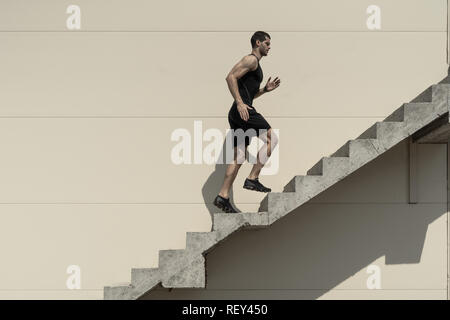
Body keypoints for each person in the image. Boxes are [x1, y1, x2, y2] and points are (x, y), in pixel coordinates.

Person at [213, 31, 281, 213]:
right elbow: (230, 77)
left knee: (239, 156)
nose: (269, 46)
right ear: (257, 42)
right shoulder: (251, 60)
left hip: (238, 112)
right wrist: (240, 102)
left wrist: (264, 90)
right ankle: (252, 178)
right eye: (267, 43)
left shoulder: (255, 65)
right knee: (272, 139)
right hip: (242, 111)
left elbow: (249, 94)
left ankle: (223, 196)